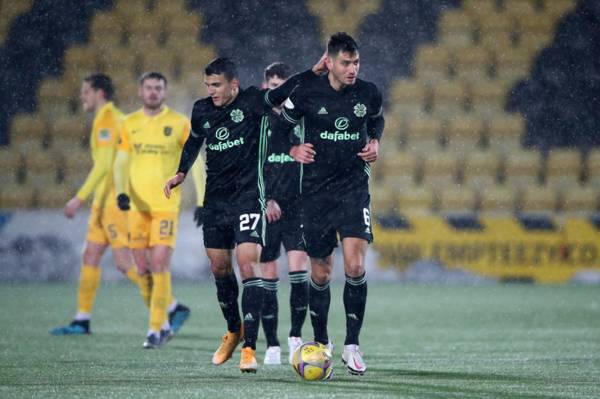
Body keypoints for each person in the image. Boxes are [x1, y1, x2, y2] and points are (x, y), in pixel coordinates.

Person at [164, 56, 326, 373]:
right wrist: (181, 172)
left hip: (249, 197)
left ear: (233, 84)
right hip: (216, 201)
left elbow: (281, 94)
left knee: (247, 262)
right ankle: (233, 329)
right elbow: (194, 140)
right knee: (219, 266)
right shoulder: (201, 110)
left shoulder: (253, 101)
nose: (211, 91)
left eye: (217, 85)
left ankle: (249, 347)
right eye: (208, 85)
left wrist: (313, 71)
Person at [275, 32, 384, 375]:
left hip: (353, 189)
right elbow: (279, 127)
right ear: (330, 62)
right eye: (346, 63)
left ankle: (352, 344)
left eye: (356, 63)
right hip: (316, 193)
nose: (352, 69)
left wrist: (376, 141)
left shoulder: (368, 93)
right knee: (320, 273)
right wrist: (293, 149)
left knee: (355, 266)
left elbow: (376, 118)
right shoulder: (306, 92)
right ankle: (321, 341)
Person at [50, 73, 147, 336]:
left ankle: (168, 305)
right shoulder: (109, 119)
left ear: (99, 93)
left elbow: (105, 165)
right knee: (90, 256)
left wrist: (78, 197)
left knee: (124, 263)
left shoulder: (108, 120)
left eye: (86, 91)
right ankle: (82, 320)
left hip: (112, 201)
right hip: (102, 202)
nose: (82, 96)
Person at [113, 71, 200, 348]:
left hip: (165, 206)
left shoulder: (178, 123)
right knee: (142, 269)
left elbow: (194, 159)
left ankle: (153, 330)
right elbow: (121, 161)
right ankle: (162, 320)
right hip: (136, 207)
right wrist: (122, 192)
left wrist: (202, 199)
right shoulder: (128, 123)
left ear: (164, 92)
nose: (153, 92)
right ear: (140, 92)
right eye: (148, 88)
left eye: (158, 88)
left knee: (160, 263)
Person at [259, 62, 310, 365]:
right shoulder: (258, 122)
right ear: (266, 87)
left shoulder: (301, 119)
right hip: (267, 208)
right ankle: (272, 344)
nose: (278, 90)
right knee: (268, 273)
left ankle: (295, 336)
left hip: (298, 206)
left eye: (283, 84)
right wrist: (265, 200)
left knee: (298, 269)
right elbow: (247, 168)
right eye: (273, 84)